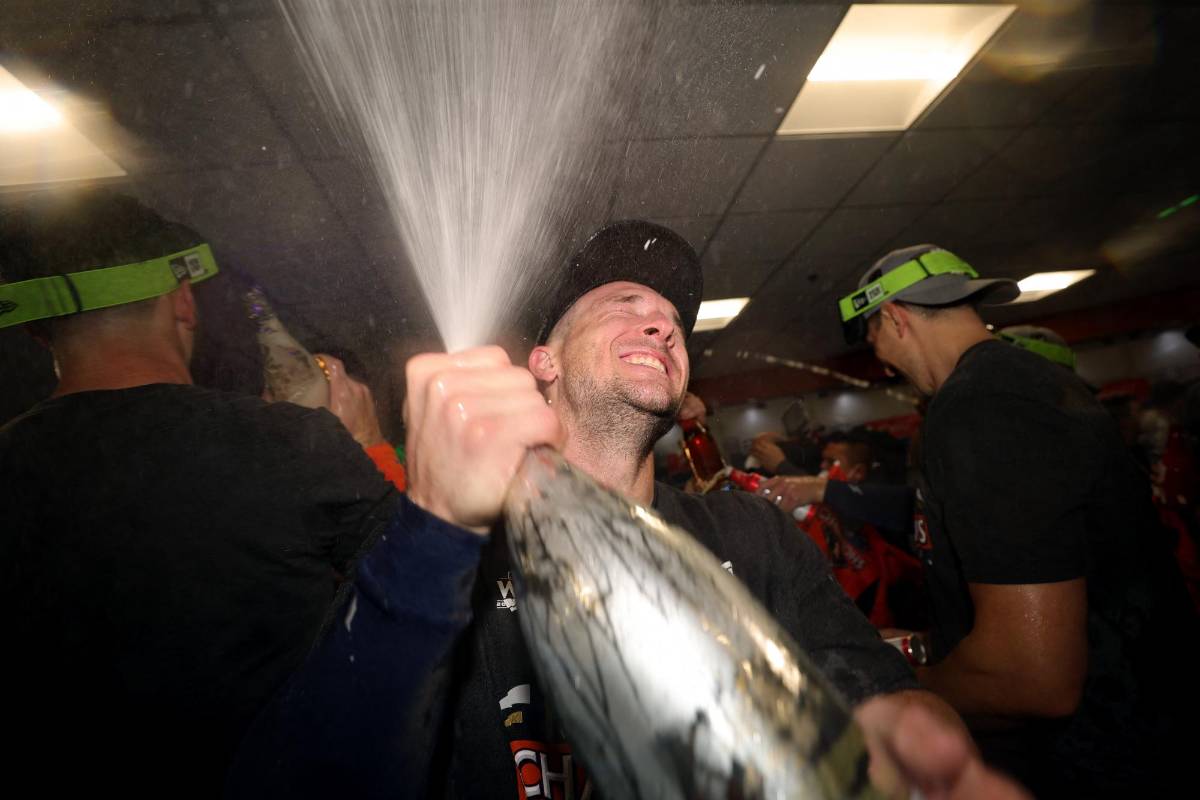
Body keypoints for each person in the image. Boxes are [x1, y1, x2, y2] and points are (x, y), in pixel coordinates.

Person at [230, 221, 1027, 799]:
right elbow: (305, 776)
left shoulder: (749, 537)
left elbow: (884, 695)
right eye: (624, 302)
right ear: (541, 361)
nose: (662, 322)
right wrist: (436, 524)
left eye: (676, 321)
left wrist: (904, 752)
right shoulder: (443, 553)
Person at [0, 191, 401, 796]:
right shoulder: (287, 443)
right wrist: (367, 443)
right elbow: (420, 593)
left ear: (38, 334)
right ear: (182, 301)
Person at [830, 242, 1198, 794]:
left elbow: (1030, 677)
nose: (882, 361)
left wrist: (899, 691)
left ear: (893, 318)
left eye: (875, 338)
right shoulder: (1023, 383)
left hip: (1107, 761)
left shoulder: (981, 404)